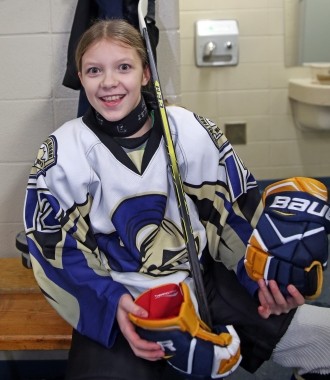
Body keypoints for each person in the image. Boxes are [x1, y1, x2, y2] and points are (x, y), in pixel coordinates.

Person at [23, 19, 330, 380]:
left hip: (204, 282)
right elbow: (58, 254)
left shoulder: (191, 130)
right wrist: (115, 306)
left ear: (145, 73)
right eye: (94, 70)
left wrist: (263, 282)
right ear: (81, 76)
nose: (108, 82)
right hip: (124, 298)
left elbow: (231, 215)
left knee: (323, 342)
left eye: (123, 67)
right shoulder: (61, 155)